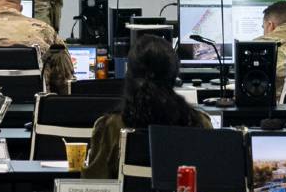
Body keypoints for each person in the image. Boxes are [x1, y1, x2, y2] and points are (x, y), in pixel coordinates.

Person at [84, 37, 211, 180]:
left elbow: (94, 185)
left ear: (130, 75)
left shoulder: (110, 126)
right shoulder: (201, 123)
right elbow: (211, 182)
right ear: (174, 76)